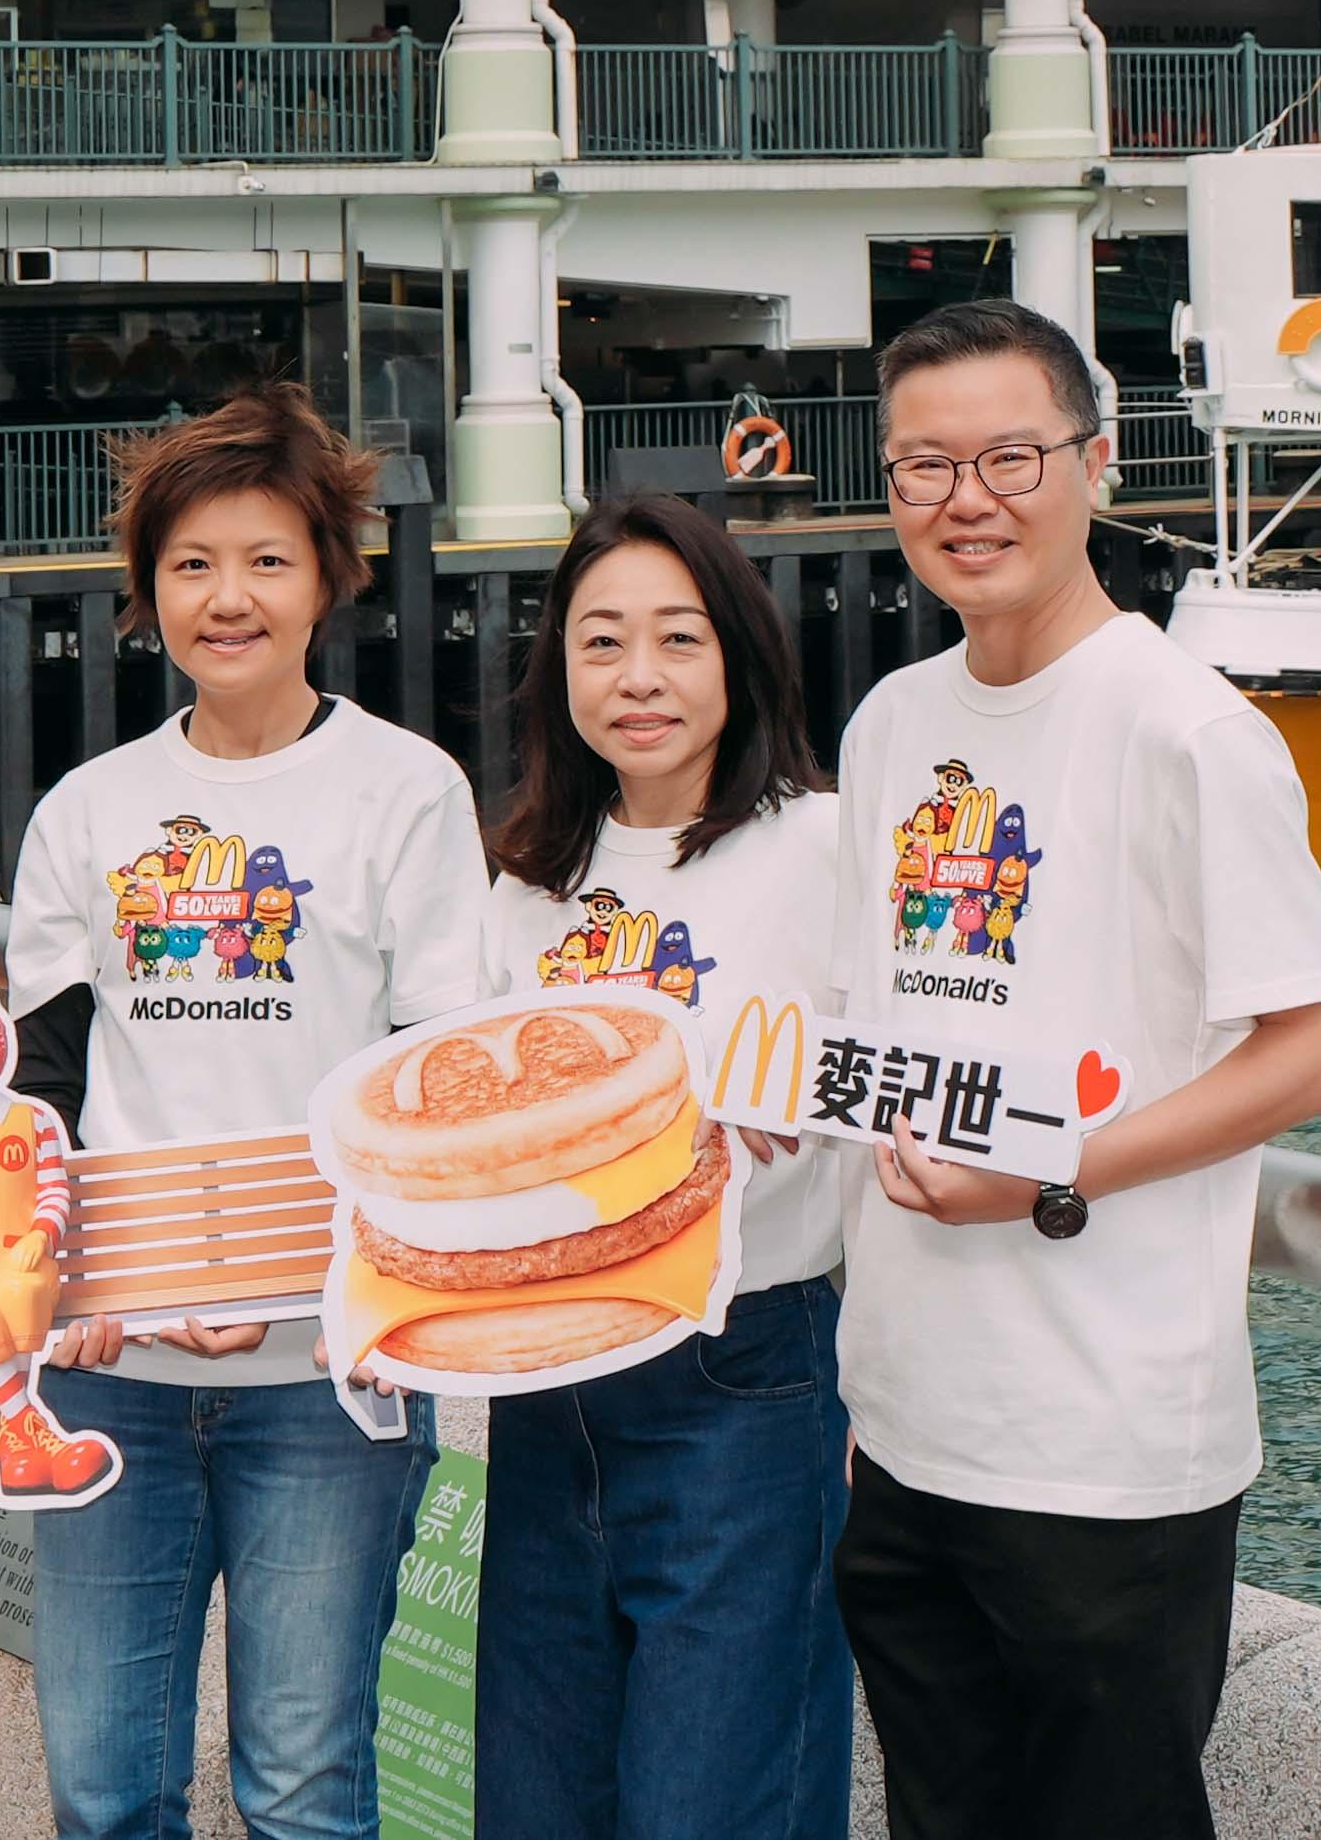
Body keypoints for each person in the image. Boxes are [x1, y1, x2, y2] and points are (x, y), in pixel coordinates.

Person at [830, 300, 1321, 1840]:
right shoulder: (890, 723)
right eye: (924, 464)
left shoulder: (1186, 726)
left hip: (1106, 1439)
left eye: (1010, 454)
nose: (966, 498)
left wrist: (1053, 1165)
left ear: (1096, 458)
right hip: (906, 1414)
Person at [7, 385, 496, 1840]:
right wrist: (62, 1281)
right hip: (109, 1378)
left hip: (325, 1381)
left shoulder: (407, 791)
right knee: (103, 1787)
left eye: (268, 558)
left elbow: (438, 1086)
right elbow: (43, 1081)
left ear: (328, 576)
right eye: (194, 563)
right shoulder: (88, 810)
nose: (230, 596)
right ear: (148, 591)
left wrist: (307, 1276)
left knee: (303, 1784)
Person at [474, 494, 852, 1840]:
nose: (639, 677)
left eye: (678, 638)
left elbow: (906, 1065)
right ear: (557, 668)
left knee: (717, 1796)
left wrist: (813, 1096)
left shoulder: (824, 844)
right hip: (549, 1368)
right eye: (601, 640)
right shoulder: (531, 872)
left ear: (739, 656)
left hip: (742, 1366)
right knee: (537, 1792)